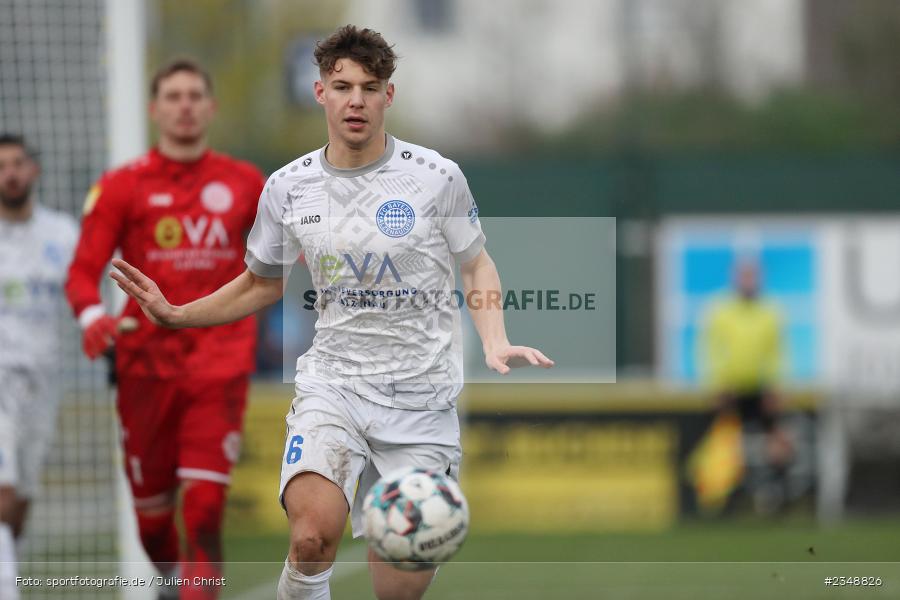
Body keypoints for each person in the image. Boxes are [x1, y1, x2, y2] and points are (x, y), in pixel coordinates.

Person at [109, 25, 554, 600]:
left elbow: (476, 265)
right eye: (342, 86)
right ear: (320, 90)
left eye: (370, 87)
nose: (356, 100)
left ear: (388, 96)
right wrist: (177, 313)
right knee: (311, 540)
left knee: (396, 587)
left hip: (422, 403)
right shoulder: (288, 187)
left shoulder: (435, 177)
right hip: (334, 389)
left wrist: (494, 338)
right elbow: (259, 284)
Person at [65, 60, 265, 599]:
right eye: (173, 96)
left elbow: (283, 260)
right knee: (153, 524)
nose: (184, 105)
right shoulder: (121, 186)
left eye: (195, 95)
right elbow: (84, 272)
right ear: (155, 109)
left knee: (203, 508)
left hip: (218, 363)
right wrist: (92, 317)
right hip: (143, 368)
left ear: (211, 107)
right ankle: (172, 582)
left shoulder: (246, 184)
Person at [0, 134, 79, 600]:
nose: (9, 172)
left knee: (20, 499)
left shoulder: (63, 234)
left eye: (17, 163)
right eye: (1, 164)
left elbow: (88, 294)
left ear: (34, 171)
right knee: (4, 494)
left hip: (43, 384)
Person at [700, 259, 793, 513]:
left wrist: (775, 385)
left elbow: (776, 352)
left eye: (753, 276)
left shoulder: (770, 310)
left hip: (760, 386)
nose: (749, 282)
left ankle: (779, 495)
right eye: (744, 276)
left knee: (777, 440)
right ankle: (721, 498)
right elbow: (712, 349)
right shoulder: (720, 309)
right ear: (735, 279)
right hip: (729, 388)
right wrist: (718, 383)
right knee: (725, 442)